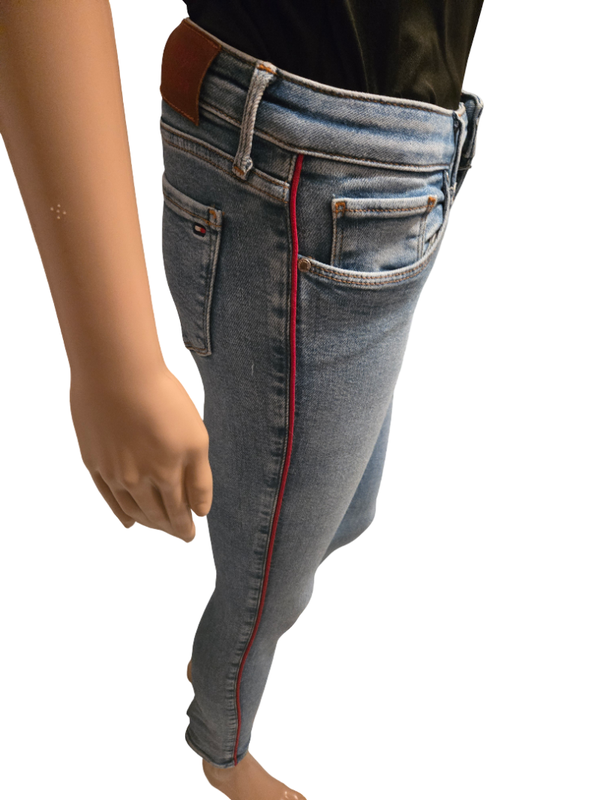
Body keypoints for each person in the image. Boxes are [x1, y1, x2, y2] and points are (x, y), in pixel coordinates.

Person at [0, 2, 484, 799]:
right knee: (267, 586)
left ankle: (239, 622)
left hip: (399, 164)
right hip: (305, 172)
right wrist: (112, 360)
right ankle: (222, 749)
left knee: (350, 513)